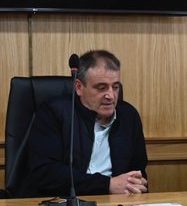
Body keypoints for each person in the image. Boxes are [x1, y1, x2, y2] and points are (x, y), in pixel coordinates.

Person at [21, 50, 148, 198]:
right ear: (79, 87)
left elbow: (138, 172)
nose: (110, 95)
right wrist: (107, 185)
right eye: (101, 88)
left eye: (115, 87)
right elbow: (46, 173)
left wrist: (135, 185)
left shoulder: (128, 116)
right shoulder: (53, 113)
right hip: (61, 204)